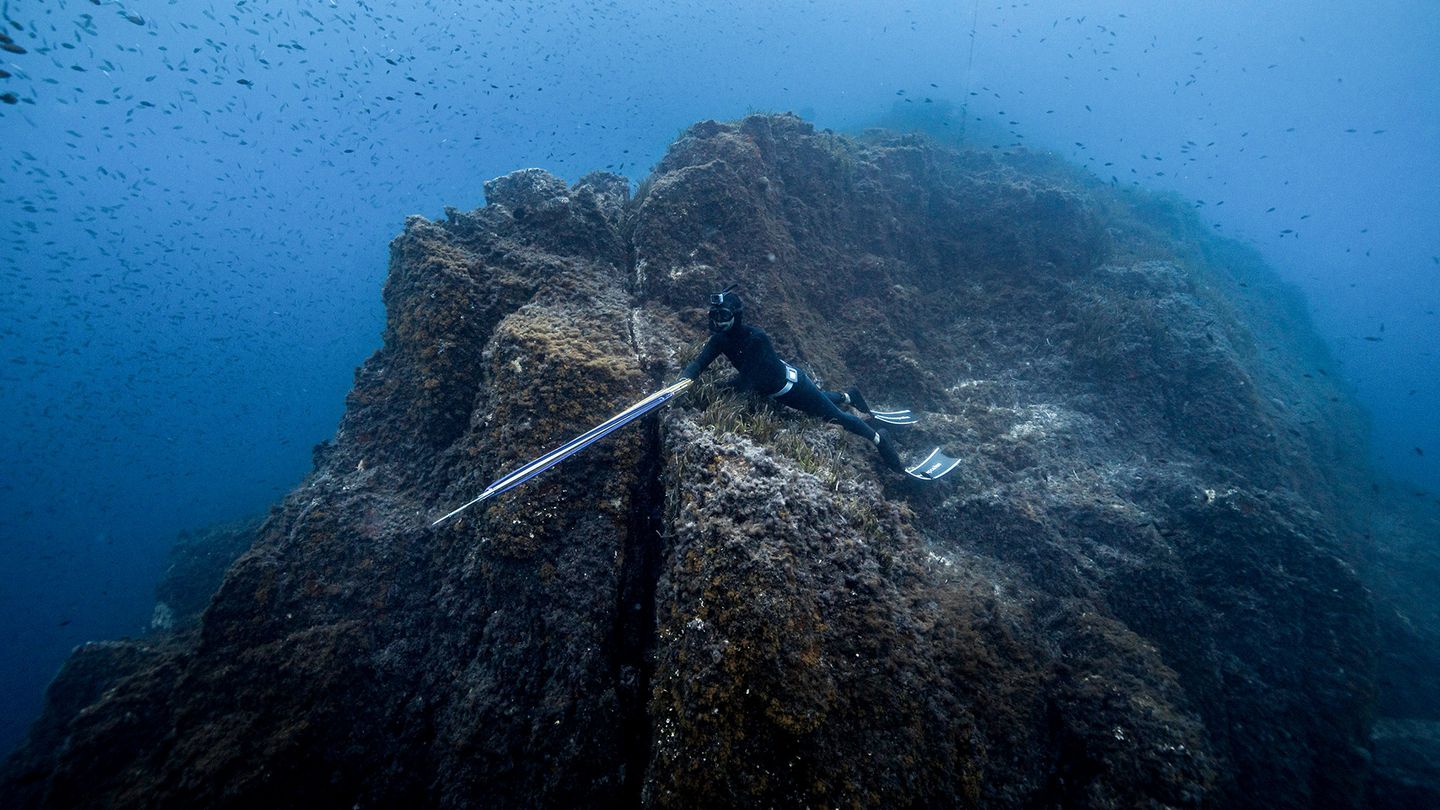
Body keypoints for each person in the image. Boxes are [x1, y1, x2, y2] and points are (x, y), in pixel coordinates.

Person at [679, 284, 908, 472]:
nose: (717, 322)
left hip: (793, 387)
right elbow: (700, 363)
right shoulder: (720, 339)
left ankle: (880, 438)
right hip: (775, 386)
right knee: (820, 401)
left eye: (723, 316)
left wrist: (723, 393)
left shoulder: (756, 339)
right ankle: (848, 395)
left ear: (735, 316)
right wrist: (683, 380)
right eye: (714, 315)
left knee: (834, 417)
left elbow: (751, 380)